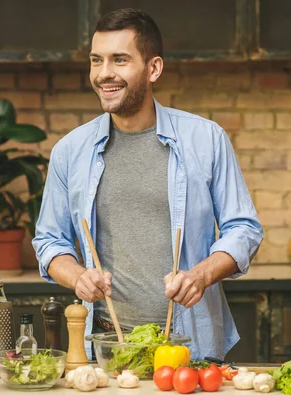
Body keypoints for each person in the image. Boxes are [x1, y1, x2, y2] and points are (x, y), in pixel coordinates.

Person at [32, 8, 263, 361]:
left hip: (189, 344)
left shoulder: (206, 139)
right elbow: (49, 240)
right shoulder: (70, 151)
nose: (104, 74)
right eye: (97, 61)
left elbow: (244, 228)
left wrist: (200, 275)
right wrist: (77, 276)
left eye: (119, 60)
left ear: (153, 68)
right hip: (107, 348)